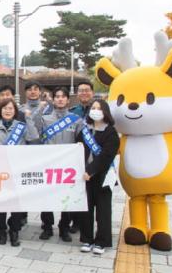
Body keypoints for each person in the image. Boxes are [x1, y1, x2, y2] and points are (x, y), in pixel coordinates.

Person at [33, 87, 82, 243]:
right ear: (53, 100)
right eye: (57, 96)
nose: (60, 99)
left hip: (68, 167)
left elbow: (81, 141)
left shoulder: (76, 120)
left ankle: (64, 228)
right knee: (46, 197)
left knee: (66, 199)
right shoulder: (45, 119)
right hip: (49, 165)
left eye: (63, 97)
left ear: (68, 100)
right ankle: (47, 226)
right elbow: (34, 134)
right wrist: (40, 108)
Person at [0, 99, 38, 246]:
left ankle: (14, 231)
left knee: (16, 204)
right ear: (0, 111)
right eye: (4, 108)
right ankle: (1, 230)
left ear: (15, 111)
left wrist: (28, 118)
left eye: (10, 108)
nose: (7, 111)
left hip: (17, 170)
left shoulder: (21, 127)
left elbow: (33, 137)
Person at [75, 99, 120, 255]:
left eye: (99, 108)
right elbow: (77, 150)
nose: (95, 111)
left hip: (103, 175)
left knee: (103, 210)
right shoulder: (85, 130)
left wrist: (91, 170)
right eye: (93, 108)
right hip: (85, 176)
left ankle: (102, 241)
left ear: (105, 112)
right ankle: (87, 239)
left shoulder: (111, 132)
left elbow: (107, 156)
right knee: (86, 209)